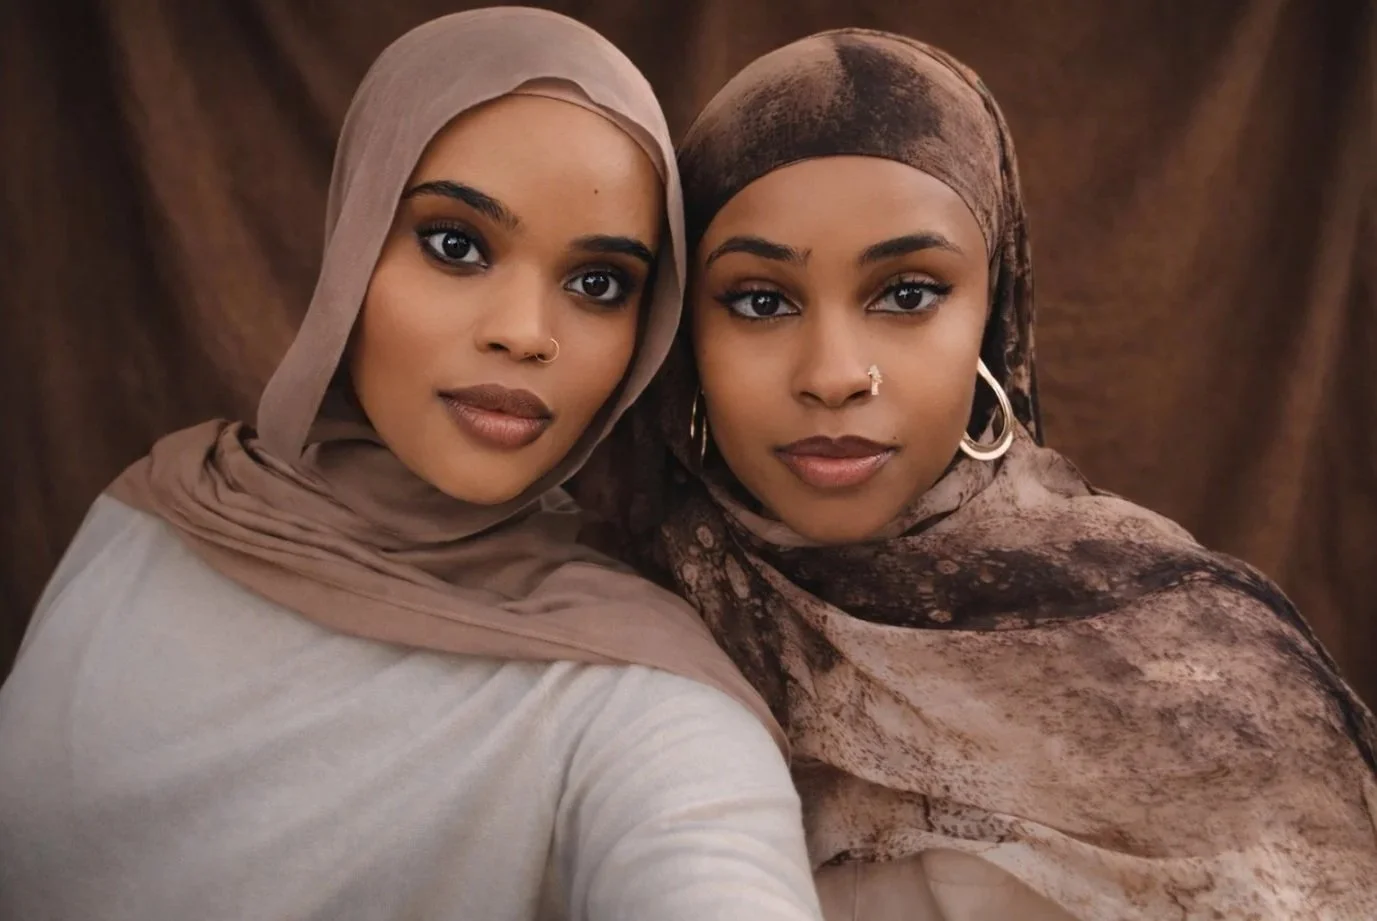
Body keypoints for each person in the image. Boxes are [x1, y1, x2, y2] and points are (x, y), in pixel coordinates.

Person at [0, 9, 824, 921]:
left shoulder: (631, 694)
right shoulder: (158, 512)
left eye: (598, 283)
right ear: (353, 246)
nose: (523, 332)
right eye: (456, 244)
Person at [582, 28, 1377, 920]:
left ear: (992, 316)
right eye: (761, 300)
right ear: (688, 335)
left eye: (908, 293)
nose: (835, 372)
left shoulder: (1199, 669)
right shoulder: (610, 612)